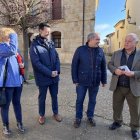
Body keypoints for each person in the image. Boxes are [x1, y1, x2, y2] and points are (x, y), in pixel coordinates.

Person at [108, 33, 140, 140]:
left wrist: (134, 74)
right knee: (116, 106)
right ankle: (117, 122)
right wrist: (115, 70)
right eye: (125, 40)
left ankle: (134, 128)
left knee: (134, 109)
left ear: (136, 43)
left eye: (129, 41)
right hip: (118, 86)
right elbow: (110, 64)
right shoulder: (116, 53)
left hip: (133, 87)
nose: (126, 42)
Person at [71, 32, 107, 128]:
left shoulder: (100, 51)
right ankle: (78, 117)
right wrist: (75, 79)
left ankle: (90, 116)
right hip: (82, 81)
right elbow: (74, 65)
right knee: (79, 100)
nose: (99, 42)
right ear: (90, 40)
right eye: (97, 39)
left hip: (95, 81)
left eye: (99, 40)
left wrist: (104, 80)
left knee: (92, 100)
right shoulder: (80, 50)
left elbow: (103, 66)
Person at [30, 23, 62, 125]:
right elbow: (36, 63)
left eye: (49, 31)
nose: (48, 33)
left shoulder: (51, 43)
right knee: (42, 98)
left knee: (54, 96)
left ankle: (55, 113)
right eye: (46, 31)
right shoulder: (34, 46)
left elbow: (57, 57)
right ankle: (42, 115)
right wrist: (49, 73)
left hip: (54, 77)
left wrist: (57, 70)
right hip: (43, 77)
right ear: (40, 30)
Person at [0, 27, 25, 136]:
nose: (11, 37)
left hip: (18, 82)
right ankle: (5, 126)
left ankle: (19, 122)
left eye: (12, 36)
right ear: (4, 36)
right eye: (10, 35)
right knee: (5, 105)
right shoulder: (2, 47)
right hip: (7, 84)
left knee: (17, 103)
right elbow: (12, 51)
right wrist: (14, 34)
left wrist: (22, 64)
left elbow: (19, 58)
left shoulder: (14, 48)